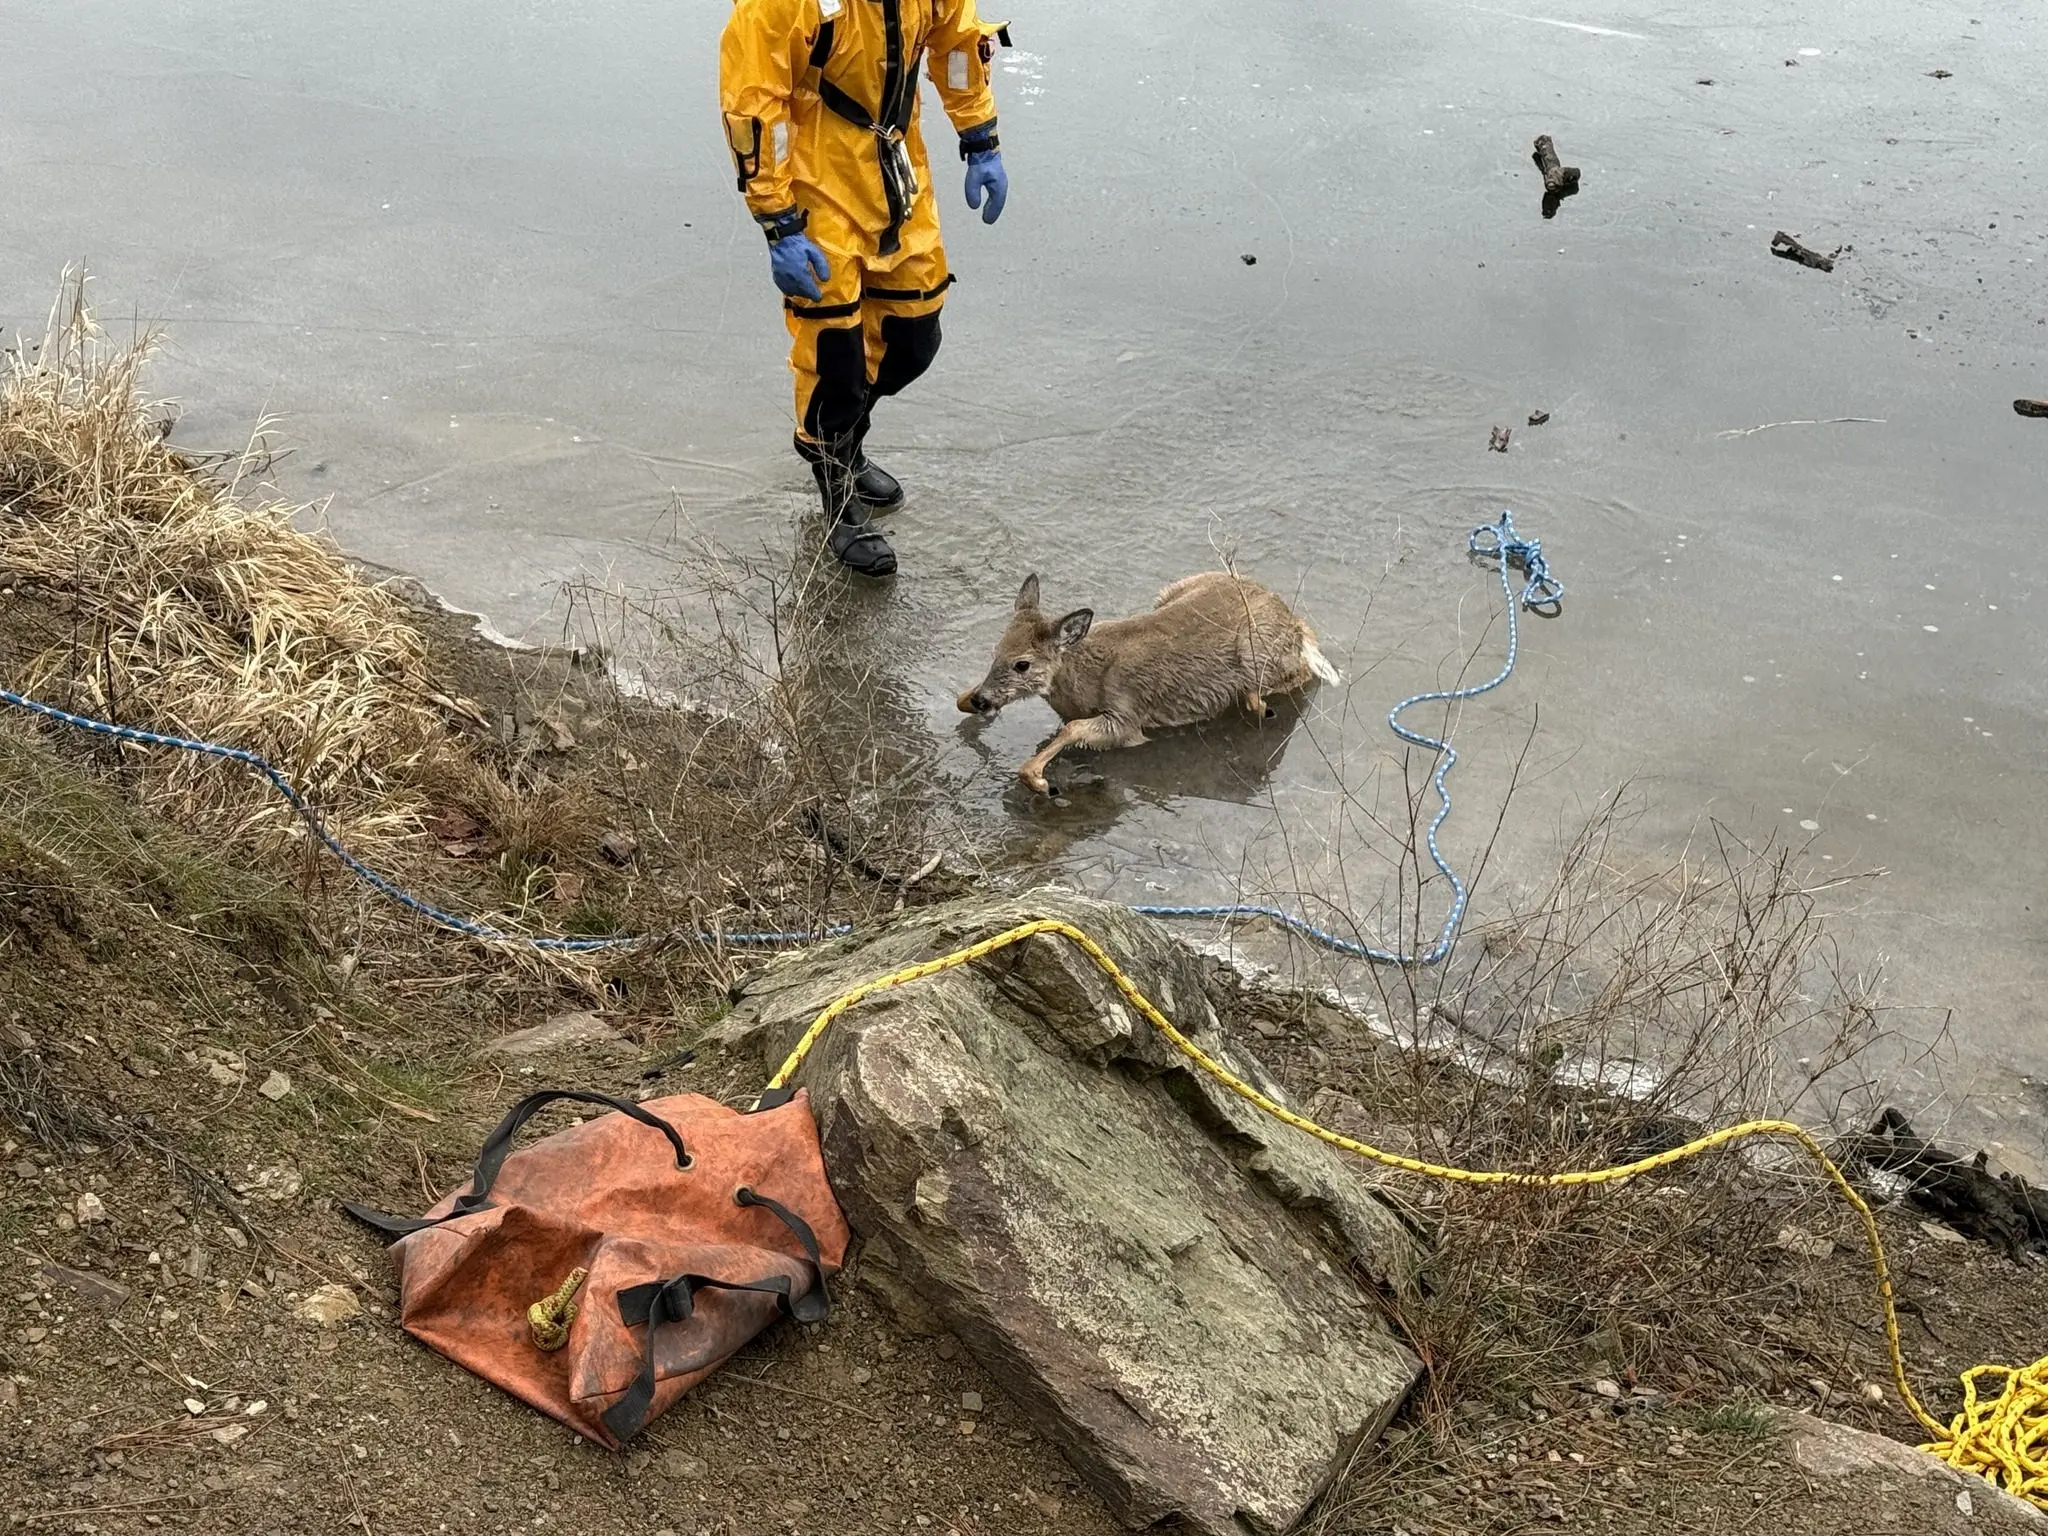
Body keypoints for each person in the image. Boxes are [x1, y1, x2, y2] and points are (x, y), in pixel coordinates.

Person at [720, 0, 1011, 579]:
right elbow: (755, 102)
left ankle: (848, 439)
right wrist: (778, 220)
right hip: (816, 186)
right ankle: (837, 495)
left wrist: (981, 139)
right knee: (834, 356)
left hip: (896, 173)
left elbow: (956, 44)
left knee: (913, 338)